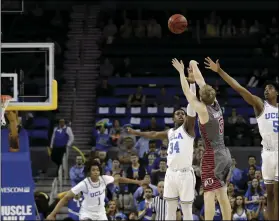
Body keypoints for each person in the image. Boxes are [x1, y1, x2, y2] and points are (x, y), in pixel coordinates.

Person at [204, 57, 278, 221]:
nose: (266, 90)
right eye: (265, 88)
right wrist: (220, 71)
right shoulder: (260, 104)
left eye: (270, 88)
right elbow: (239, 88)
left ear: (277, 92)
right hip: (268, 152)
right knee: (270, 195)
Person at [127, 68, 197, 220]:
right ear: (173, 118)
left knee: (186, 209)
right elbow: (152, 134)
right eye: (178, 113)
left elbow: (192, 104)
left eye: (183, 113)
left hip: (185, 173)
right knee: (169, 209)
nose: (181, 114)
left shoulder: (189, 129)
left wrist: (192, 85)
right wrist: (136, 133)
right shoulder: (170, 132)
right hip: (170, 173)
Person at [172, 58, 232, 221]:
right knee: (222, 193)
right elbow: (201, 81)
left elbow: (187, 92)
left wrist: (180, 72)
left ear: (201, 97)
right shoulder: (216, 104)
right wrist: (193, 64)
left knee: (209, 193)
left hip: (212, 156)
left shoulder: (203, 111)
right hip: (225, 153)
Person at [46, 160, 147, 220]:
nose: (96, 172)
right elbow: (65, 198)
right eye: (93, 170)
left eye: (97, 170)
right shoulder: (84, 183)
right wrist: (52, 213)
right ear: (89, 172)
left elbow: (119, 179)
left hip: (100, 213)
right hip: (87, 212)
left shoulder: (103, 179)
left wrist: (137, 182)